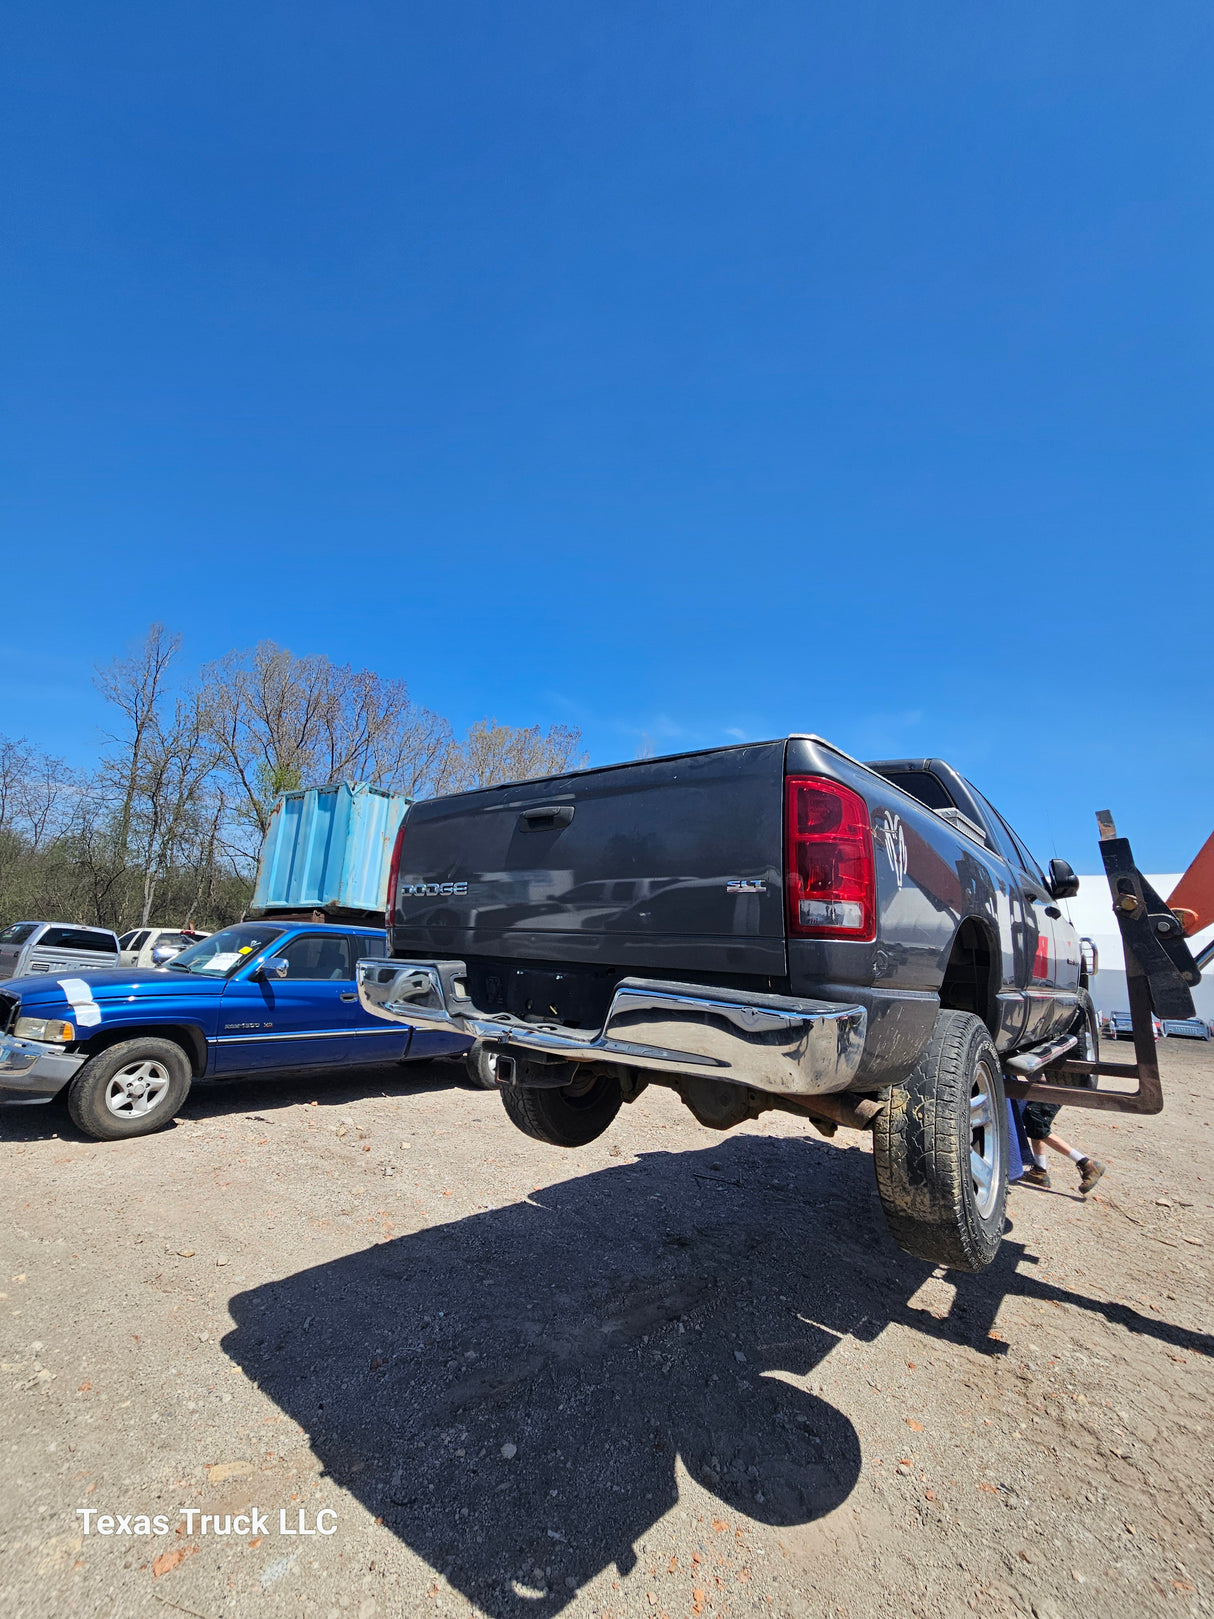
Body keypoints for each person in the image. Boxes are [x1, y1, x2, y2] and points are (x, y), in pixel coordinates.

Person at [1020, 1100, 1106, 1195]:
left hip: (1057, 1087)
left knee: (1035, 1119)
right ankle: (1039, 1171)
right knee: (1036, 1122)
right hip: (1055, 1087)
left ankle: (1086, 1163)